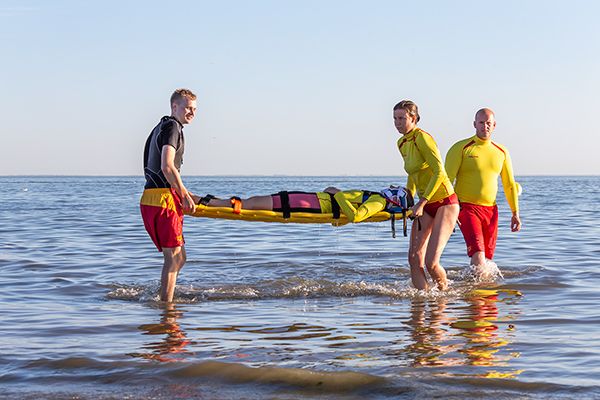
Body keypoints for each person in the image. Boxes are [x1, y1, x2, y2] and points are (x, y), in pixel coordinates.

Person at [393, 100, 459, 291]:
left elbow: (440, 171)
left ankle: (443, 294)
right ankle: (422, 301)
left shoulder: (422, 138)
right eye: (395, 119)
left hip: (445, 202)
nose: (397, 122)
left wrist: (422, 202)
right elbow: (413, 174)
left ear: (413, 118)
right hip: (424, 203)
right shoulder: (401, 142)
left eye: (402, 118)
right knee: (414, 258)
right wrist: (407, 198)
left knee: (431, 262)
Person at [445, 108, 521, 270]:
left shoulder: (501, 152)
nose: (484, 126)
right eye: (481, 123)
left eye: (488, 123)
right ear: (474, 124)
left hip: (491, 211)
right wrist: (447, 210)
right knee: (478, 255)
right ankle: (476, 293)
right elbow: (446, 181)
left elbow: (509, 184)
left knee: (486, 260)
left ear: (494, 125)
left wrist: (515, 213)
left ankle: (480, 292)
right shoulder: (461, 148)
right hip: (466, 208)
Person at [140, 88, 198, 303]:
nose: (191, 112)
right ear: (175, 107)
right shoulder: (173, 127)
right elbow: (166, 166)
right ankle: (167, 310)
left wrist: (181, 190)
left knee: (179, 257)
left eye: (194, 109)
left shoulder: (161, 126)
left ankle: (163, 297)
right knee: (173, 258)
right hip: (162, 200)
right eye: (187, 108)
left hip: (153, 199)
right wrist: (182, 194)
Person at [199, 185, 413, 224]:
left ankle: (209, 203)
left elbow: (356, 216)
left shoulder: (379, 201)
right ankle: (210, 201)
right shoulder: (377, 198)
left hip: (314, 204)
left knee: (256, 203)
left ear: (397, 198)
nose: (393, 185)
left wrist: (337, 194)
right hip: (314, 200)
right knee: (256, 201)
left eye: (398, 188)